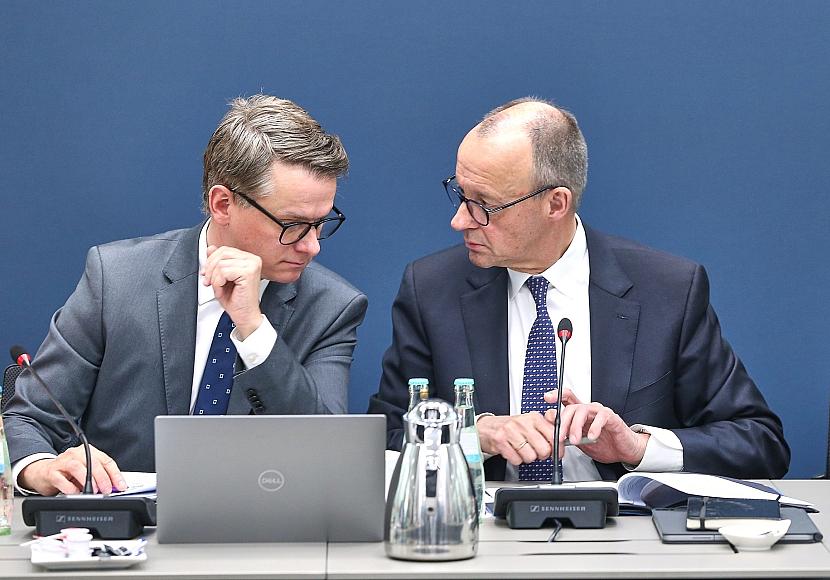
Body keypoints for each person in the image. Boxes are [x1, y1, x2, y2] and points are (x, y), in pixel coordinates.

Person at [368, 97, 789, 482]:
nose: (460, 220)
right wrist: (473, 434)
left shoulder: (667, 291)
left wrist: (637, 447)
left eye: (484, 205)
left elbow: (760, 443)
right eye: (461, 195)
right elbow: (383, 439)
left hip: (626, 534)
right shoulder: (432, 289)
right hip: (485, 532)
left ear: (556, 204)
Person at [6, 94, 368, 496]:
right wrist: (41, 468)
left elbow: (327, 451)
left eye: (322, 222)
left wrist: (254, 329)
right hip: (130, 524)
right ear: (223, 204)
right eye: (293, 225)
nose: (312, 246)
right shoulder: (117, 279)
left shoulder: (332, 307)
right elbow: (30, 418)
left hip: (258, 527)